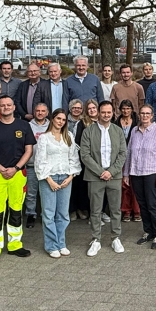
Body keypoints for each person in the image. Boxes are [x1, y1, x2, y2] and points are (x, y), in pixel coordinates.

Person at [0, 95, 36, 266]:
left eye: (9, 105)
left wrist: (16, 168)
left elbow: (29, 151)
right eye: (2, 105)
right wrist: (1, 169)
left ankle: (15, 245)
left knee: (16, 211)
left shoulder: (23, 126)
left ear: (13, 107)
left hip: (18, 175)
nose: (6, 107)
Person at [80, 101, 127, 256]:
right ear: (98, 113)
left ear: (113, 113)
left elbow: (122, 154)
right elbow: (85, 155)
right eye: (103, 112)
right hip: (95, 177)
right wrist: (101, 171)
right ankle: (96, 239)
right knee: (95, 210)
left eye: (109, 112)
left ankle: (115, 238)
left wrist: (111, 172)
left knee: (115, 210)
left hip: (113, 176)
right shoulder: (88, 131)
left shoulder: (118, 131)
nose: (106, 115)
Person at [34, 108, 81, 258]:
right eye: (58, 118)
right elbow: (40, 160)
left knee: (63, 213)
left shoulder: (69, 136)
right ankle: (51, 245)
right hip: (49, 178)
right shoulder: (44, 138)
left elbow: (73, 157)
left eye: (63, 119)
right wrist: (49, 180)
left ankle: (61, 243)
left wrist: (71, 176)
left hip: (66, 177)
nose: (61, 122)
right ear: (52, 119)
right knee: (49, 213)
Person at [124, 104, 156, 249]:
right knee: (142, 204)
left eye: (147, 113)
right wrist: (126, 173)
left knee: (152, 204)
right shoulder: (134, 132)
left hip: (151, 173)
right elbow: (129, 153)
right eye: (142, 113)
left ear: (152, 115)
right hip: (136, 173)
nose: (144, 116)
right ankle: (148, 231)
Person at [71, 99, 99, 220]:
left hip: (99, 160)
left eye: (94, 108)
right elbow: (77, 142)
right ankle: (79, 209)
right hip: (85, 159)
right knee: (81, 186)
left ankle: (93, 210)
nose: (92, 110)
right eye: (89, 108)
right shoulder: (82, 123)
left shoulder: (103, 122)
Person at [25, 103, 50, 228]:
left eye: (43, 111)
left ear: (47, 112)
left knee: (47, 192)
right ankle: (31, 214)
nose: (40, 113)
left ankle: (47, 216)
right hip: (31, 165)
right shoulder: (27, 126)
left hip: (48, 166)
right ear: (34, 112)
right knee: (31, 193)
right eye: (38, 111)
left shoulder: (52, 125)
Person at [116, 100, 141, 223]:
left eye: (128, 108)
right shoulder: (116, 123)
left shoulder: (137, 123)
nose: (126, 111)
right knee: (124, 185)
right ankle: (126, 211)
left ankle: (137, 211)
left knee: (135, 185)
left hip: (135, 157)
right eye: (123, 109)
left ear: (132, 109)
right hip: (121, 157)